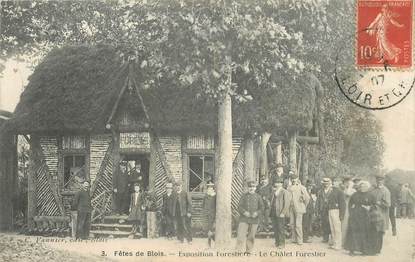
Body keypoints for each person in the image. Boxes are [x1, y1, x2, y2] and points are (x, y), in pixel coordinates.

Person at [344, 181, 376, 256]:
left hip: (365, 217)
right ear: (359, 187)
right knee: (353, 232)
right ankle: (352, 250)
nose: (362, 188)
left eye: (364, 187)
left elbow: (374, 205)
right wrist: (351, 212)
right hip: (355, 216)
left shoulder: (371, 195)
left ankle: (364, 251)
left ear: (367, 187)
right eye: (361, 186)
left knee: (364, 233)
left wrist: (369, 207)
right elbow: (350, 204)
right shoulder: (355, 194)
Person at [236, 181, 264, 253]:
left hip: (254, 219)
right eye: (250, 187)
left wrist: (257, 213)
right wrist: (244, 212)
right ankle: (238, 251)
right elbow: (239, 206)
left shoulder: (258, 197)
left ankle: (248, 251)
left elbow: (262, 207)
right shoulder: (244, 196)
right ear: (248, 188)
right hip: (244, 219)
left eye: (253, 187)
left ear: (255, 188)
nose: (251, 188)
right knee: (240, 235)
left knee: (251, 236)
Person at [370, 174, 391, 255]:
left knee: (379, 233)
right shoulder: (373, 189)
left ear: (383, 181)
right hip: (372, 214)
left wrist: (379, 203)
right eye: (377, 180)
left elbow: (388, 204)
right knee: (373, 232)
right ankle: (372, 249)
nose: (379, 181)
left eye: (380, 180)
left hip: (381, 216)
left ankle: (377, 250)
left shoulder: (386, 191)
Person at [287, 173, 310, 245]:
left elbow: (307, 198)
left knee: (298, 224)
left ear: (297, 179)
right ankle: (293, 238)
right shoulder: (289, 188)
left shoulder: (302, 187)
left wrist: (303, 205)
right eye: (292, 179)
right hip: (291, 208)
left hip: (299, 208)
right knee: (292, 224)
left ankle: (300, 240)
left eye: (295, 179)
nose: (294, 180)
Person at [269, 178, 291, 248]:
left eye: (279, 183)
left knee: (281, 228)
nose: (277, 184)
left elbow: (287, 203)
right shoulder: (274, 192)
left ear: (281, 184)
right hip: (273, 212)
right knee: (275, 228)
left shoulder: (285, 192)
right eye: (276, 183)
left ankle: (282, 243)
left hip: (280, 213)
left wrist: (283, 213)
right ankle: (277, 242)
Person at [327, 177, 346, 250]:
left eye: (336, 181)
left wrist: (341, 214)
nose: (334, 183)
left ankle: (338, 244)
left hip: (336, 211)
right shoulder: (331, 190)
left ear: (339, 182)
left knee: (337, 228)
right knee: (332, 228)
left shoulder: (340, 192)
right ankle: (334, 243)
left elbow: (343, 204)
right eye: (334, 181)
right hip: (330, 210)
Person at [316, 177, 332, 243]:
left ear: (329, 184)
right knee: (324, 223)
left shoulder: (332, 191)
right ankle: (325, 238)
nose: (326, 184)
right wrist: (317, 209)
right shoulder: (320, 191)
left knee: (330, 223)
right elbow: (318, 201)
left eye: (327, 183)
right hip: (322, 209)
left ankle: (332, 238)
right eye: (325, 183)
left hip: (330, 209)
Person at [342, 176, 356, 247]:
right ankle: (342, 242)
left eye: (348, 182)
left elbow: (348, 194)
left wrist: (350, 186)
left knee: (347, 224)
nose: (346, 183)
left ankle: (347, 243)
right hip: (344, 207)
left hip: (349, 208)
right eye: (345, 181)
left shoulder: (353, 190)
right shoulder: (344, 189)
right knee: (343, 225)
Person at [202, 182, 216, 247]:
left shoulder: (215, 196)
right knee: (206, 229)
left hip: (212, 216)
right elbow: (203, 205)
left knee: (211, 230)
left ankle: (209, 244)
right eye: (208, 188)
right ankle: (213, 240)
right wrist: (204, 212)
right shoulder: (206, 196)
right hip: (206, 215)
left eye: (211, 188)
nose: (209, 189)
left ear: (213, 189)